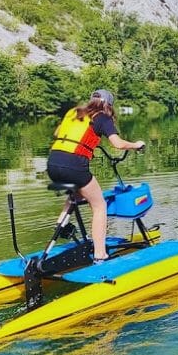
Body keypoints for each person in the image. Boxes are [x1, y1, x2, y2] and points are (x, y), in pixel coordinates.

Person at [46, 90, 145, 264]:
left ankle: (61, 223)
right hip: (74, 165)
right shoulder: (102, 118)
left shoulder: (74, 112)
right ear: (108, 105)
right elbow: (118, 144)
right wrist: (136, 145)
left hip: (53, 163)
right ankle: (100, 255)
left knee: (76, 193)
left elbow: (58, 133)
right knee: (100, 206)